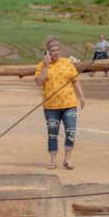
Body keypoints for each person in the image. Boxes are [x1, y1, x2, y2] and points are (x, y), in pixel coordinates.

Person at [34, 39, 85, 170]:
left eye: (57, 50)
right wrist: (45, 66)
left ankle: (67, 160)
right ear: (48, 52)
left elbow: (75, 81)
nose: (55, 53)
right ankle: (53, 161)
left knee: (71, 131)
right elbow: (39, 82)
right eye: (52, 51)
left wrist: (82, 96)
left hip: (69, 103)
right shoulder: (42, 65)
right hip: (51, 106)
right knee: (52, 133)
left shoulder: (67, 63)